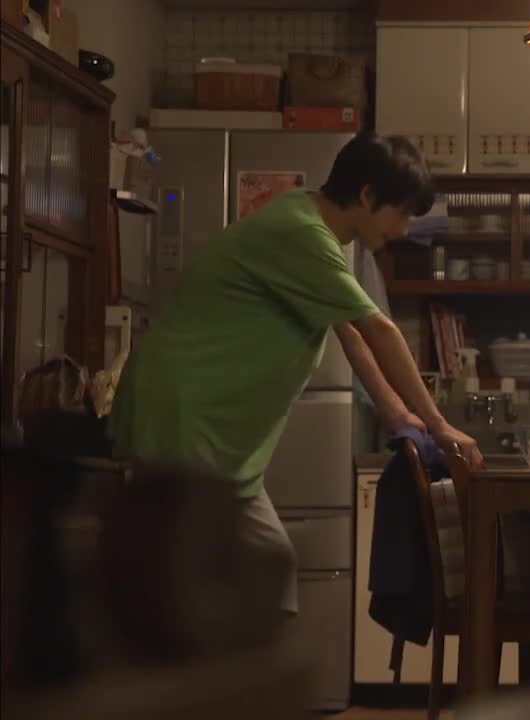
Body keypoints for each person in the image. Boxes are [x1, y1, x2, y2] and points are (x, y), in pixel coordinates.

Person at [107, 134, 483, 614]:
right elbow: (380, 330)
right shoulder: (302, 232)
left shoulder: (315, 233)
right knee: (178, 595)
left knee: (272, 582)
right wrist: (439, 425)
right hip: (184, 423)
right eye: (403, 212)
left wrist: (396, 412)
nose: (405, 229)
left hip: (221, 442)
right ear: (367, 195)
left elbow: (349, 330)